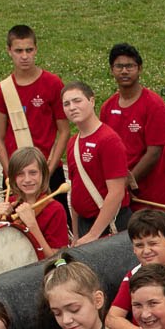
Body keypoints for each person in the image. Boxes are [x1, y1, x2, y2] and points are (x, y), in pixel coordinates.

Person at [0, 24, 69, 183]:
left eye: (29, 50)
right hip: (16, 172)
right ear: (9, 51)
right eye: (19, 51)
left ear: (36, 50)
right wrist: (9, 172)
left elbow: (64, 131)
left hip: (48, 169)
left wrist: (49, 170)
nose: (24, 56)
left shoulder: (52, 83)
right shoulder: (3, 89)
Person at [103, 43, 165, 210]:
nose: (124, 71)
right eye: (119, 66)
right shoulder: (107, 107)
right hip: (118, 192)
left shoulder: (154, 105)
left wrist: (128, 182)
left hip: (148, 195)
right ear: (112, 70)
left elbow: (155, 152)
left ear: (139, 69)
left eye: (130, 66)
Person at [63, 79, 130, 243]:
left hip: (109, 225)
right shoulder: (73, 142)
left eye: (77, 101)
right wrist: (77, 233)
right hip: (85, 225)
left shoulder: (109, 140)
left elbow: (116, 192)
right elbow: (76, 189)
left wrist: (93, 234)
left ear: (91, 101)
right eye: (66, 104)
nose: (72, 107)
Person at [0, 146, 70, 251]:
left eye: (33, 173)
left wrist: (32, 225)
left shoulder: (55, 210)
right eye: (20, 174)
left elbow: (56, 260)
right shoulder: (11, 203)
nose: (27, 179)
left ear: (43, 174)